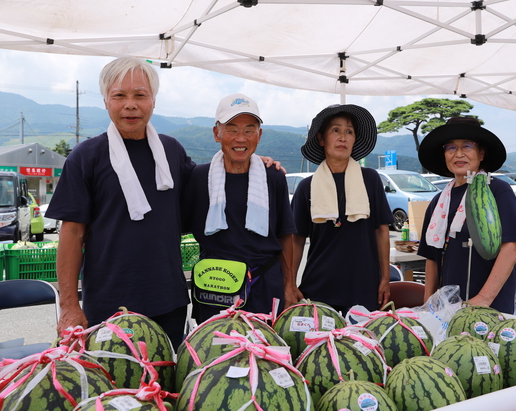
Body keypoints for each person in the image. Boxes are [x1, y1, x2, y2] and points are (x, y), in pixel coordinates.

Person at [47, 57, 195, 346]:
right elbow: (72, 233)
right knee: (113, 388)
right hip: (107, 305)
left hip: (169, 302)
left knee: (164, 387)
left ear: (153, 100)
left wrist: (252, 162)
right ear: (105, 101)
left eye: (140, 95)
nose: (130, 104)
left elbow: (210, 184)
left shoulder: (172, 151)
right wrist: (68, 306)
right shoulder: (86, 156)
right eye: (119, 95)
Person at [183, 94, 298, 323]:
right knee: (216, 351)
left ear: (259, 135)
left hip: (264, 283)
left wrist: (289, 285)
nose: (240, 138)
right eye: (232, 129)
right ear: (217, 133)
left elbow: (285, 235)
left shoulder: (273, 176)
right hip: (214, 286)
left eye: (249, 130)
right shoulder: (199, 177)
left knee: (264, 352)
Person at [416, 116, 516, 313]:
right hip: (447, 310)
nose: (458, 154)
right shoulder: (438, 202)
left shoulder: (496, 191)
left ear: (481, 153)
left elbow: (510, 248)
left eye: (467, 146)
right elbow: (431, 257)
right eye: (451, 147)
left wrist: (482, 299)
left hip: (489, 308)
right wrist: (428, 305)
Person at [291, 104, 393, 314]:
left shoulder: (370, 179)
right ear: (321, 139)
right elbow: (296, 240)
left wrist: (385, 278)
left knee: (362, 346)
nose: (343, 137)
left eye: (349, 132)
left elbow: (381, 231)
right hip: (319, 287)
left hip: (364, 286)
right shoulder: (307, 187)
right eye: (335, 130)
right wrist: (289, 284)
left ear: (355, 139)